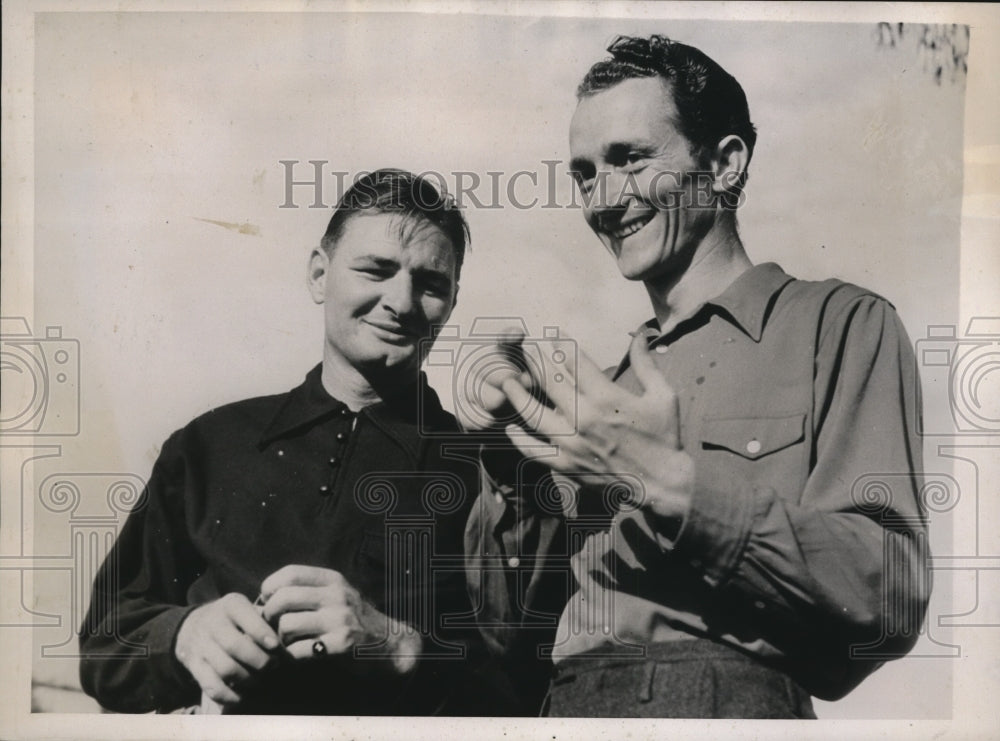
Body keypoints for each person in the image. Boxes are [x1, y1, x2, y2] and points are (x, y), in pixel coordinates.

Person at [462, 35, 931, 718]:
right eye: (586, 173)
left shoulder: (840, 324)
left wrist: (668, 480)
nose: (603, 199)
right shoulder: (603, 397)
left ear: (725, 164)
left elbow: (890, 594)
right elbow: (508, 640)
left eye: (629, 158)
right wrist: (506, 459)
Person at [78, 169, 515, 715]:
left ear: (451, 304)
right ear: (318, 275)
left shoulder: (485, 475)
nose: (401, 302)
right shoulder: (210, 444)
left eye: (430, 284)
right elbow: (102, 647)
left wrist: (400, 648)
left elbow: (527, 689)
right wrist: (182, 635)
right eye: (376, 269)